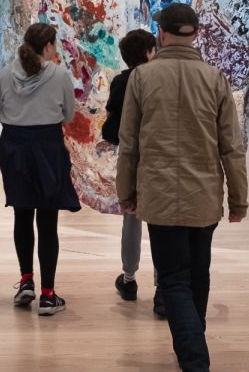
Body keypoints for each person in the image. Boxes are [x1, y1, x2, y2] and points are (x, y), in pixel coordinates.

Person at [117, 3, 248, 372]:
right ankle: (193, 348)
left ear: (161, 33)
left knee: (173, 279)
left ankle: (193, 358)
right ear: (196, 33)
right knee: (198, 274)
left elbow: (129, 145)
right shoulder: (215, 79)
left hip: (159, 197)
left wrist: (126, 193)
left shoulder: (142, 78)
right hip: (203, 197)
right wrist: (239, 199)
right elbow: (232, 148)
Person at [0, 22, 80, 316]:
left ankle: (26, 281)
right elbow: (68, 113)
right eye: (54, 45)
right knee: (47, 221)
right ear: (47, 46)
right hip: (46, 147)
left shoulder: (6, 73)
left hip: (14, 146)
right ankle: (48, 295)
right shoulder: (58, 75)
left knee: (21, 213)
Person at [101, 29, 159, 305]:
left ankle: (129, 278)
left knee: (131, 217)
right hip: (158, 156)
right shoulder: (159, 79)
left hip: (130, 157)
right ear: (149, 53)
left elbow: (112, 127)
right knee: (161, 221)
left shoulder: (121, 82)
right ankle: (162, 286)